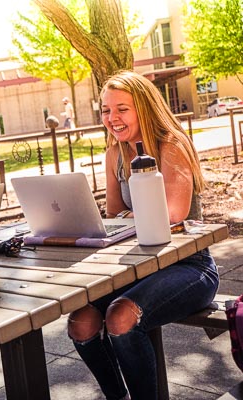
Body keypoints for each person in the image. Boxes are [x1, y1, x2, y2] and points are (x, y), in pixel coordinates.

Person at [67, 70, 219, 400]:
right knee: (81, 320)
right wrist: (137, 216)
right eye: (106, 110)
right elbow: (112, 215)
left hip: (188, 266)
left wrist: (131, 216)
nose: (112, 118)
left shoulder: (172, 144)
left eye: (122, 108)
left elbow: (173, 213)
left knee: (120, 317)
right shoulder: (114, 155)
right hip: (136, 267)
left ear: (145, 107)